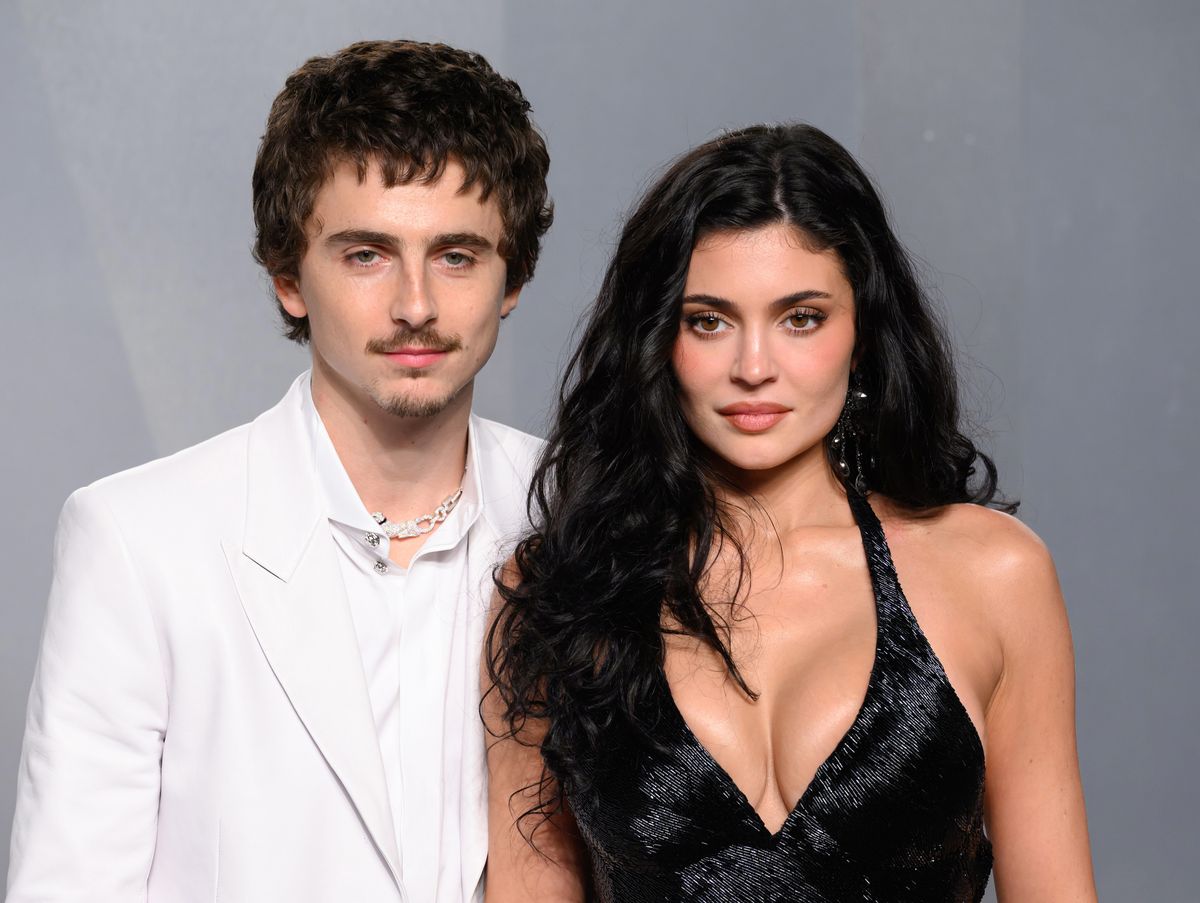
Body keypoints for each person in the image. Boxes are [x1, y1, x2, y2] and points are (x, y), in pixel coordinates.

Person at [483, 123, 1096, 902]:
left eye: (800, 317)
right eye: (709, 320)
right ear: (657, 339)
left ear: (862, 334)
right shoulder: (558, 593)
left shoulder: (993, 575)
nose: (754, 367)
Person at [8, 39, 551, 902]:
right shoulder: (139, 543)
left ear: (511, 276)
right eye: (365, 253)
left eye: (456, 255)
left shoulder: (584, 516)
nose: (416, 304)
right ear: (287, 277)